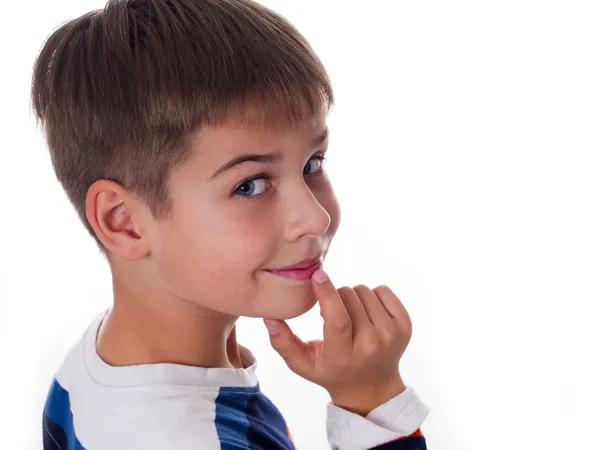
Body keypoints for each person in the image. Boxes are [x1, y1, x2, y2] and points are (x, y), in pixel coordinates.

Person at [31, 0, 430, 448]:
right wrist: (370, 401)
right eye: (250, 185)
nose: (314, 218)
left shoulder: (106, 360)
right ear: (124, 222)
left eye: (312, 163)